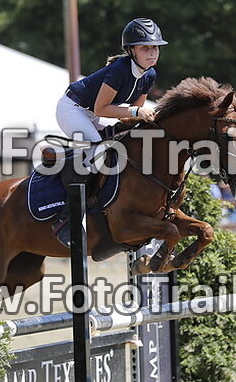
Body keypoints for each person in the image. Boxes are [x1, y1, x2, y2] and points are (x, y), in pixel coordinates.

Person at [50, 17, 166, 247]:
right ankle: (65, 217)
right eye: (145, 48)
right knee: (100, 151)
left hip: (91, 115)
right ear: (131, 50)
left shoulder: (149, 75)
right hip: (71, 109)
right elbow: (102, 108)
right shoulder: (119, 70)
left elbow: (130, 115)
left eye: (155, 48)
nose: (152, 53)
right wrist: (136, 112)